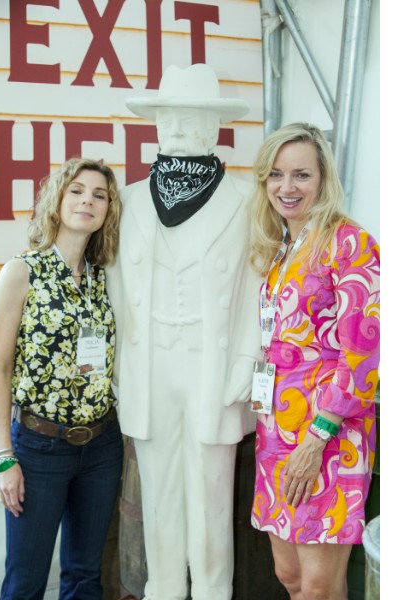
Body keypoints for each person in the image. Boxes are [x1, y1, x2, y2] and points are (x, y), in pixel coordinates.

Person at [105, 64, 262, 600]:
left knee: (213, 491)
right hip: (149, 364)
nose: (178, 129)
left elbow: (260, 284)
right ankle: (164, 588)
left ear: (214, 128)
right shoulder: (127, 200)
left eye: (191, 119)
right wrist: (117, 367)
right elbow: (114, 287)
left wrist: (248, 359)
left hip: (213, 364)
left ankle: (214, 589)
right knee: (159, 493)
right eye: (169, 119)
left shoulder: (246, 199)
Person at [248, 123, 380, 600]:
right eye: (276, 174)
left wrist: (318, 436)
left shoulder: (350, 243)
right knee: (290, 576)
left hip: (327, 434)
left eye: (301, 175)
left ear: (323, 179)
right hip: (275, 431)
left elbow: (363, 355)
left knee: (319, 587)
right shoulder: (282, 246)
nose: (287, 187)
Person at [0, 157, 123, 600]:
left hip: (101, 447)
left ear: (108, 209)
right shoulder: (23, 271)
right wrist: (3, 458)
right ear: (57, 200)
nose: (87, 201)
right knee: (25, 582)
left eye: (99, 195)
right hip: (39, 448)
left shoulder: (106, 277)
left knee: (85, 576)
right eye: (76, 191)